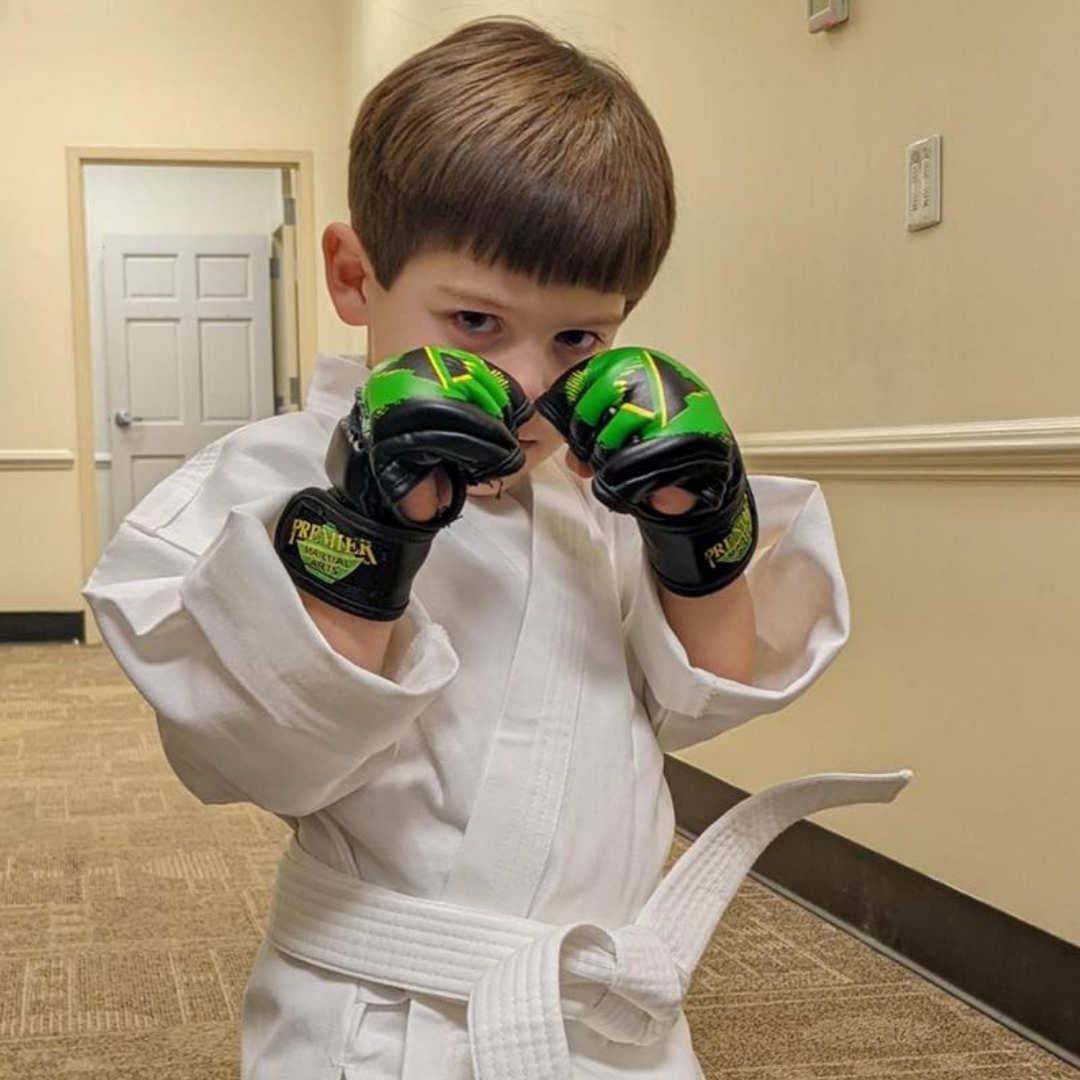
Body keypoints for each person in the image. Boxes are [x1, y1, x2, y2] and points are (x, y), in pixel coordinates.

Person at [84, 18, 909, 1080]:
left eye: (577, 339)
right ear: (353, 276)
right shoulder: (273, 479)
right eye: (475, 320)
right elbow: (264, 752)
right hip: (380, 1023)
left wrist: (697, 532)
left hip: (602, 1020)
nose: (526, 381)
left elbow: (709, 693)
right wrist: (366, 536)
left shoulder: (598, 487)